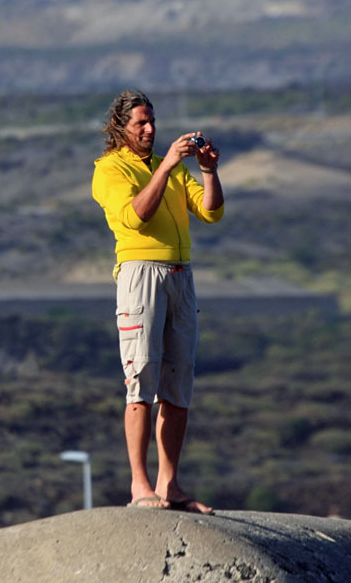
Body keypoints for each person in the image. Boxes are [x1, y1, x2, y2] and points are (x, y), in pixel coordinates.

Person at [91, 90, 223, 514]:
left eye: (152, 122)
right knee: (141, 381)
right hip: (140, 275)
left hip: (181, 276)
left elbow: (211, 212)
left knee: (178, 383)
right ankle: (139, 484)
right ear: (120, 128)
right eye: (140, 124)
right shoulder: (110, 170)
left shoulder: (167, 168)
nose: (149, 130)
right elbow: (136, 215)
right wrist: (167, 165)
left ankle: (171, 484)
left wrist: (207, 171)